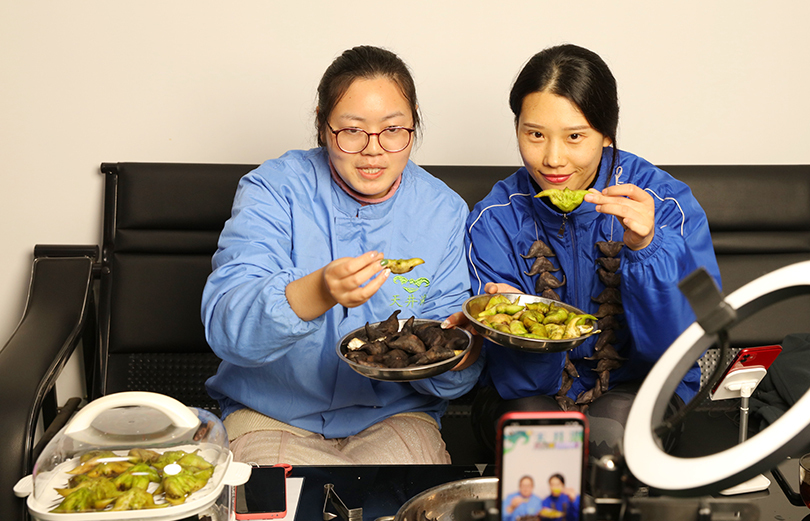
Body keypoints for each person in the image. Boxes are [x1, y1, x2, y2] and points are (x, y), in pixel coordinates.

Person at [201, 46, 482, 466]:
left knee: (408, 506)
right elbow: (228, 327)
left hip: (394, 416)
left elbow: (451, 367)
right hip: (272, 416)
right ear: (322, 125)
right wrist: (318, 290)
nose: (373, 150)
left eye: (393, 129)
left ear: (414, 123)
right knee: (281, 508)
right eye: (352, 130)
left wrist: (467, 347)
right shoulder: (273, 189)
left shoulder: (443, 210)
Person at [464, 44, 721, 458]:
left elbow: (680, 351)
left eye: (575, 136)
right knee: (540, 442)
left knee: (614, 437)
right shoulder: (493, 219)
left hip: (641, 387)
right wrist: (518, 326)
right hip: (527, 393)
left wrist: (648, 250)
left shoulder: (667, 204)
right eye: (535, 135)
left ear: (606, 133)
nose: (553, 159)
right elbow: (518, 382)